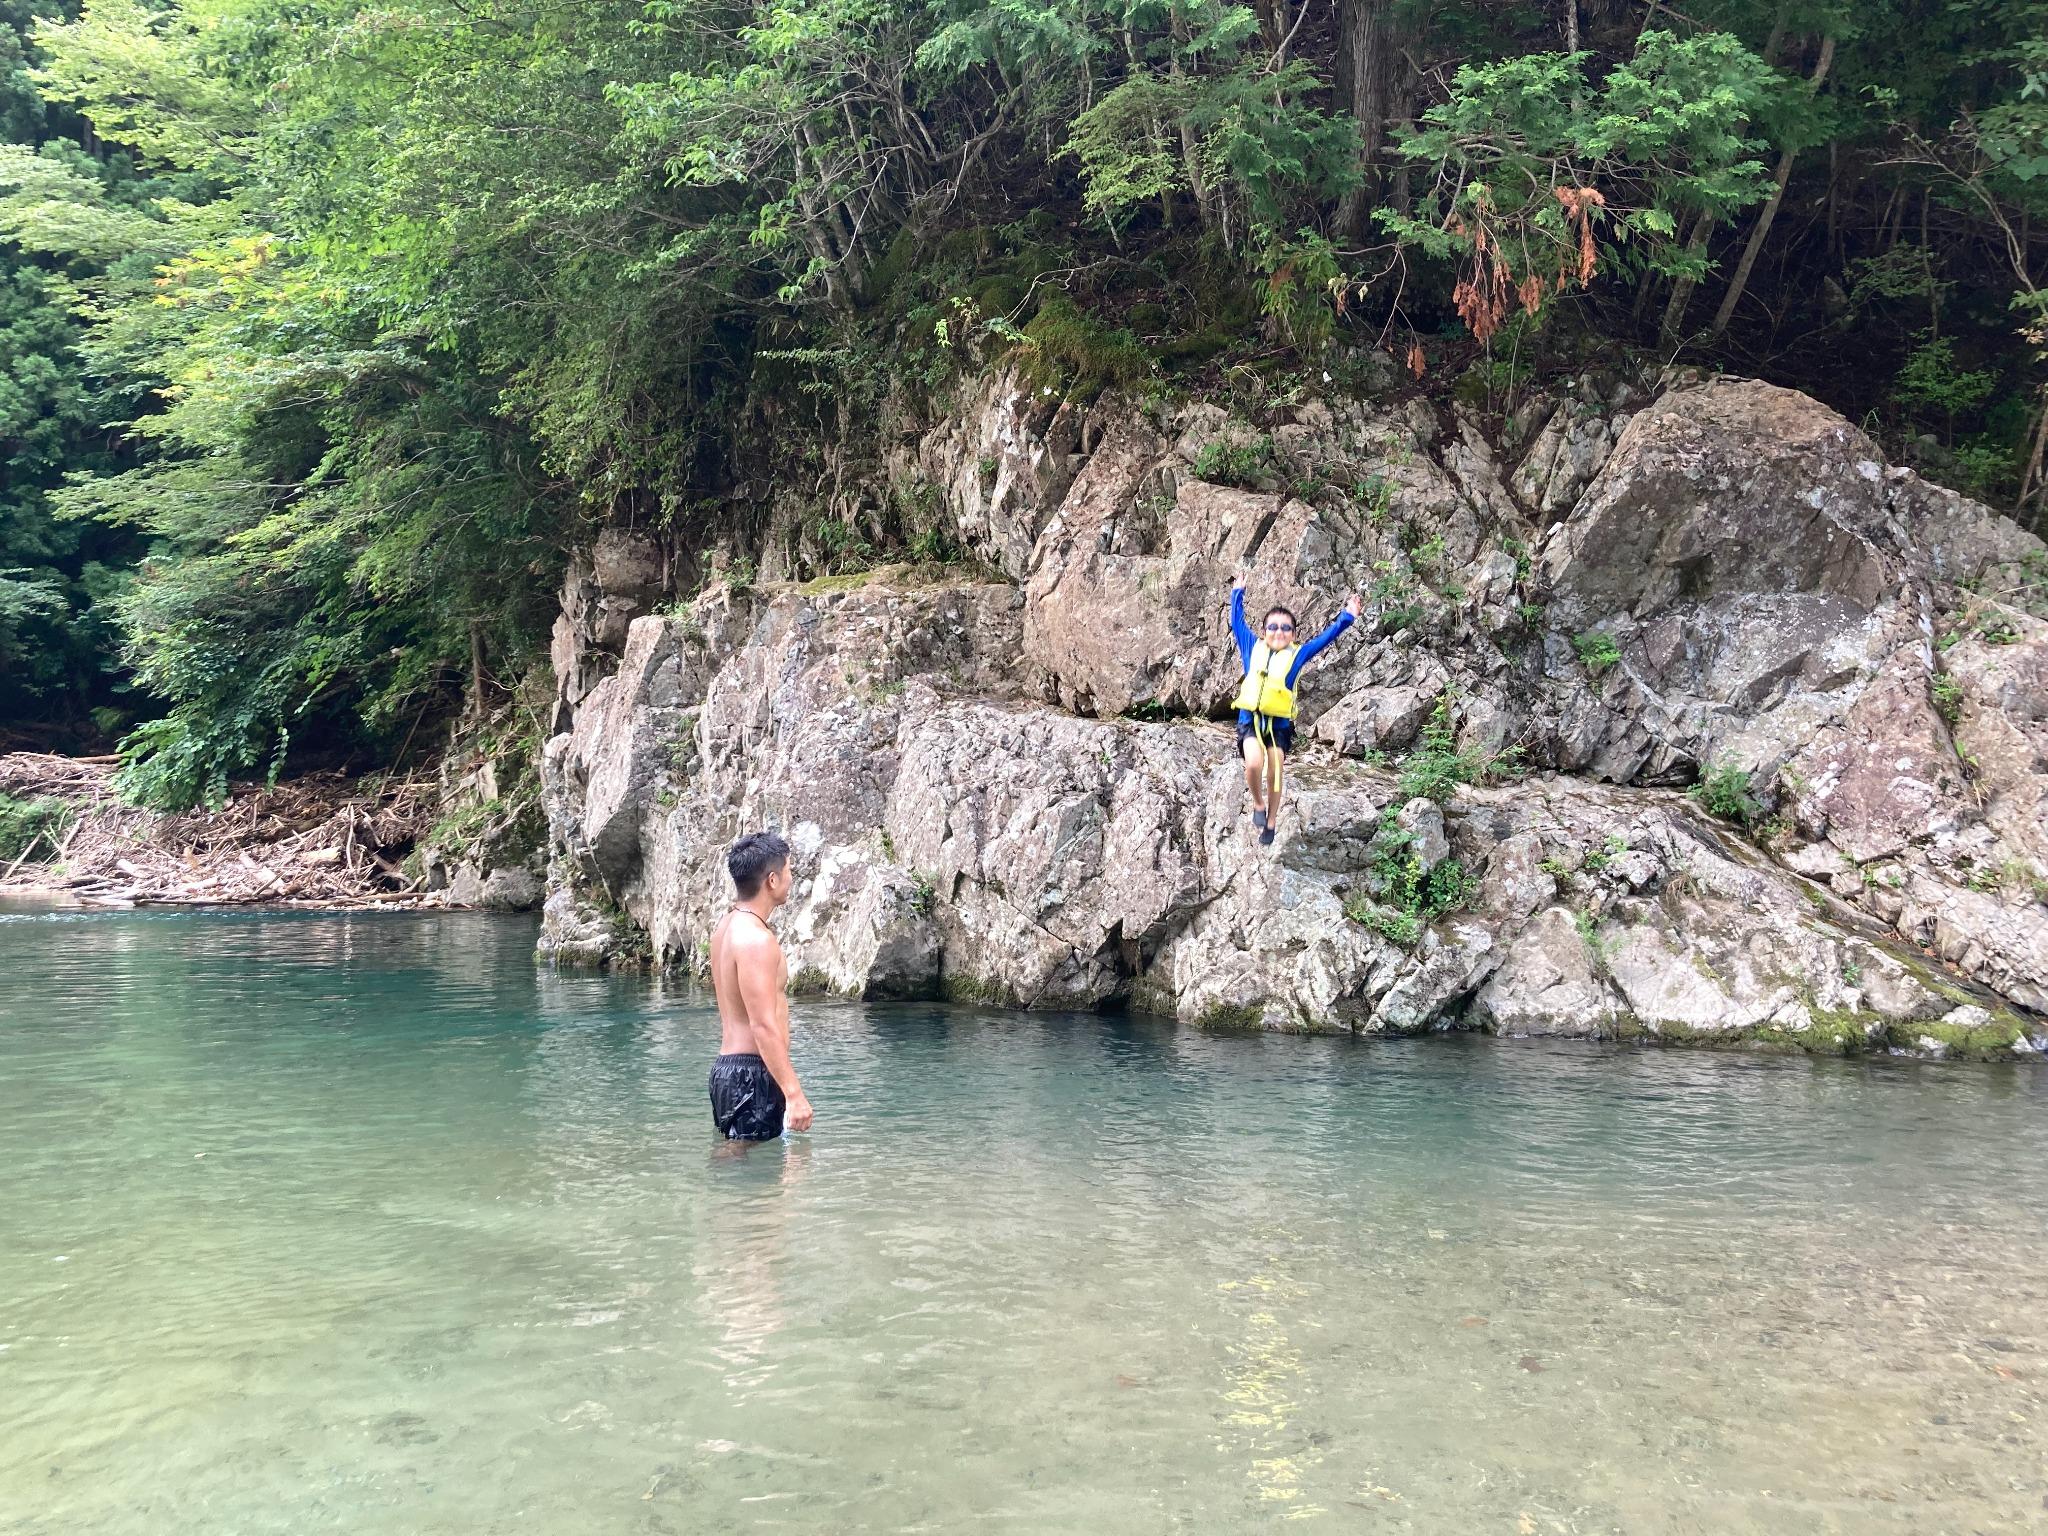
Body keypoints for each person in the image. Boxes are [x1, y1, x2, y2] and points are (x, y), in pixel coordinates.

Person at [1229, 574, 1362, 846]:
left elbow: (1326, 638)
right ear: (1264, 630)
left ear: (1293, 634)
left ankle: (1272, 820)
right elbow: (1237, 621)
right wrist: (1237, 593)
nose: (1279, 632)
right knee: (1254, 764)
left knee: (1275, 771)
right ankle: (1257, 803)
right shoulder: (1251, 646)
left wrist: (1347, 617)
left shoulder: (1298, 654)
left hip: (1279, 725)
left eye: (1286, 628)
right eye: (1273, 627)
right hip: (1250, 719)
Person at [706, 831, 814, 1140]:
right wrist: (794, 1094)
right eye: (788, 870)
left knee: (739, 1168)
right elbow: (763, 1024)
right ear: (772, 880)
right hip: (750, 1075)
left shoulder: (725, 928)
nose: (791, 878)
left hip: (730, 1071)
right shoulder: (756, 940)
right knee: (755, 1179)